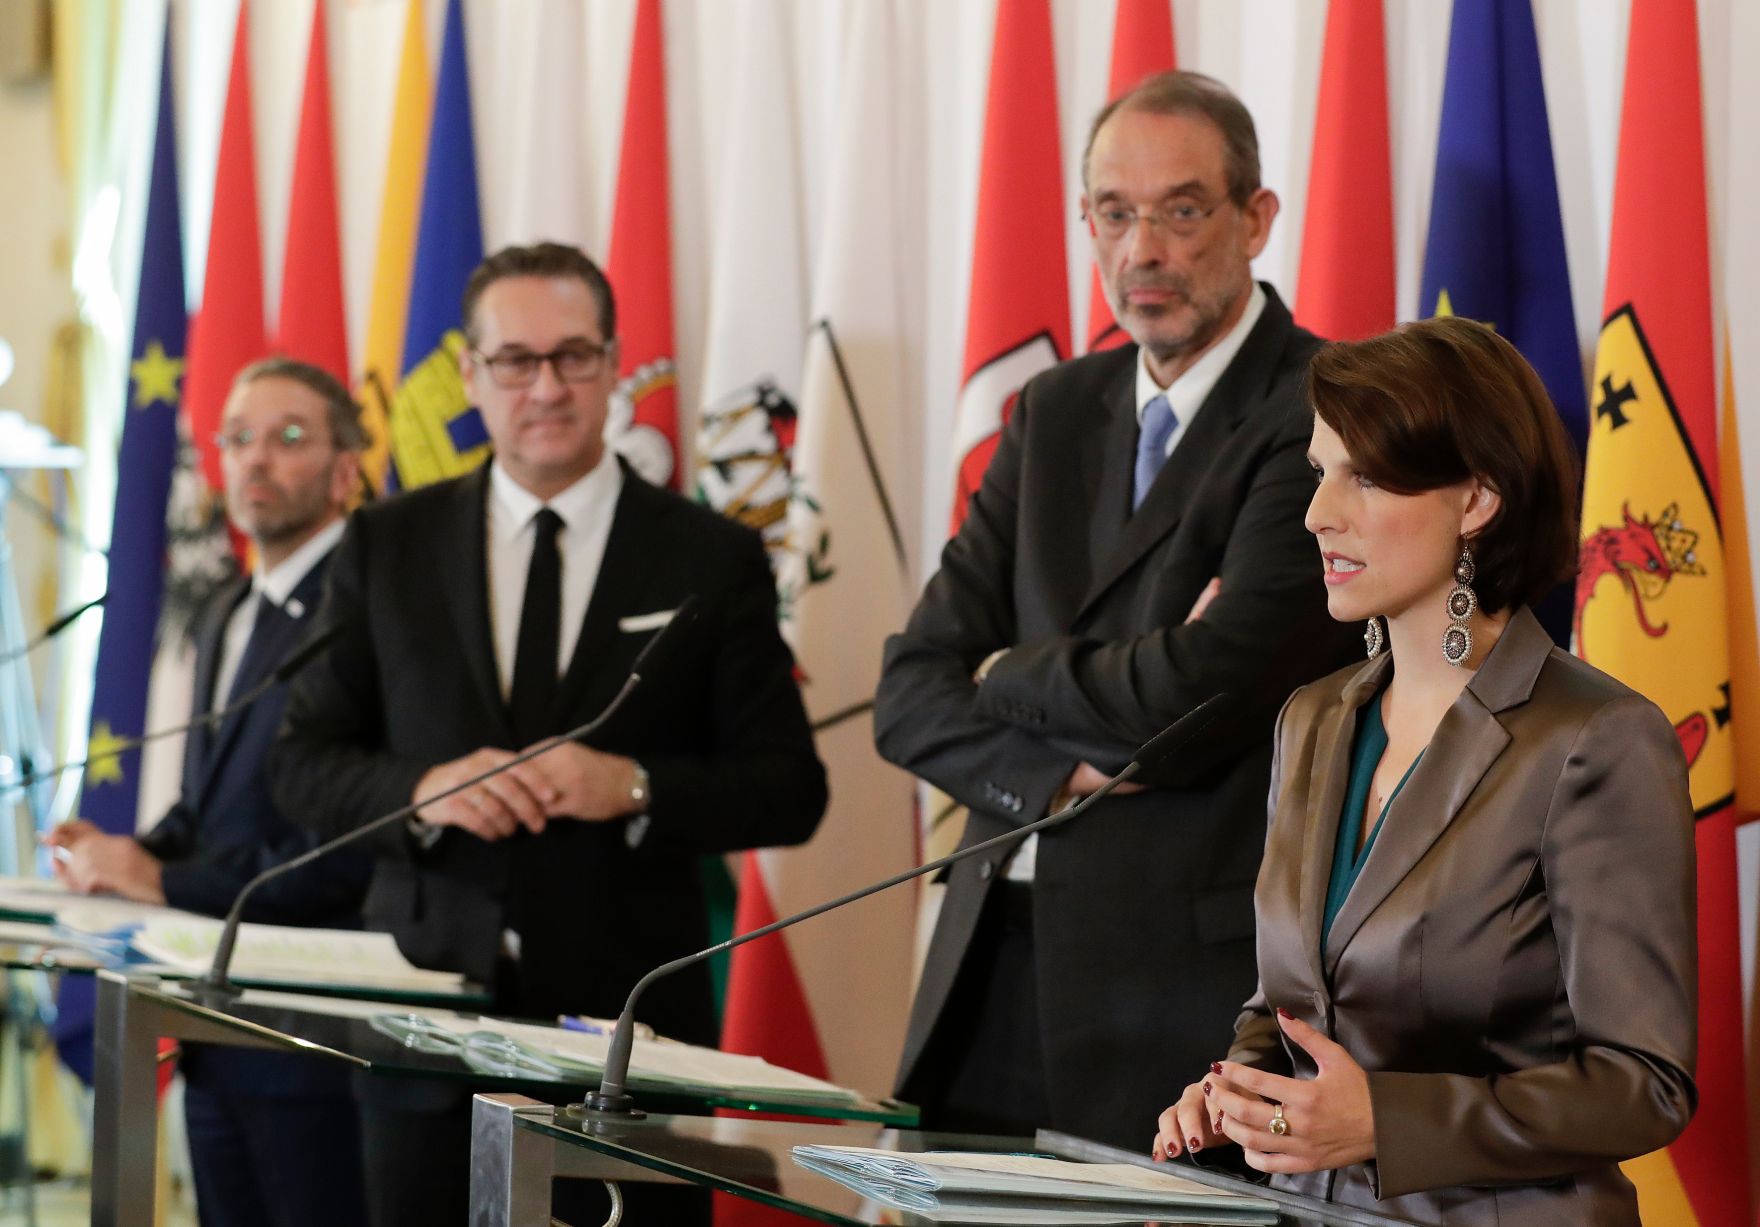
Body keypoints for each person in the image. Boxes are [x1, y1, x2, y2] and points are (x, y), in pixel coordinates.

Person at [270, 241, 827, 1227]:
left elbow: (788, 787)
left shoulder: (711, 553)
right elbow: (303, 765)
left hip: (629, 1043)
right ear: (474, 376)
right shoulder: (385, 544)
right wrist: (421, 790)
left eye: (573, 356)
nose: (546, 387)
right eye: (515, 361)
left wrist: (635, 786)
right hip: (421, 1035)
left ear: (614, 366)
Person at [873, 70, 1360, 1148]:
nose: (1143, 248)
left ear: (1255, 219)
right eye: (1113, 212)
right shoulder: (1052, 409)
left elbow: (1192, 703)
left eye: (1181, 211)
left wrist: (1004, 671)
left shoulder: (1322, 408)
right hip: (987, 957)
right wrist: (1057, 771)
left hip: (1176, 999)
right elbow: (906, 693)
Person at [1153, 317, 1696, 1225]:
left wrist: (1386, 1121)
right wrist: (1236, 1089)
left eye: (1362, 476)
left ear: (1476, 499)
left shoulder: (1596, 738)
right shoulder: (1316, 717)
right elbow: (1289, 1001)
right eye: (1320, 472)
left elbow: (1643, 1082)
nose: (1318, 511)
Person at [50, 357, 372, 1227]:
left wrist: (162, 880)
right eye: (239, 438)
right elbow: (211, 795)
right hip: (216, 1027)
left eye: (289, 437)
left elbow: (346, 842)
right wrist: (130, 854)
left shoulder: (370, 609)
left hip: (316, 1039)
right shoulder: (232, 603)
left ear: (348, 468)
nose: (257, 459)